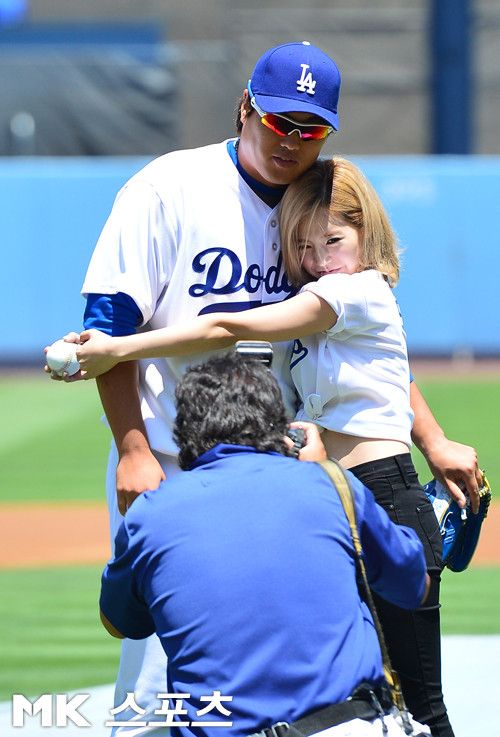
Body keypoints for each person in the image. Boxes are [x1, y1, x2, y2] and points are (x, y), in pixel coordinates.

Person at [52, 41, 480, 736]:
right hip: (168, 460)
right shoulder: (168, 189)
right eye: (281, 122)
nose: (293, 141)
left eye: (311, 129)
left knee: (302, 659)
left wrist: (428, 435)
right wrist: (132, 447)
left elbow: (367, 345)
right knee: (164, 670)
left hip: (289, 467)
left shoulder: (319, 211)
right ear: (245, 108)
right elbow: (108, 326)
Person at [99, 351, 431, 737]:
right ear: (280, 427)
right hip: (350, 726)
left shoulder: (149, 516)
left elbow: (118, 623)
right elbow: (413, 586)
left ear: (182, 433)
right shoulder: (332, 487)